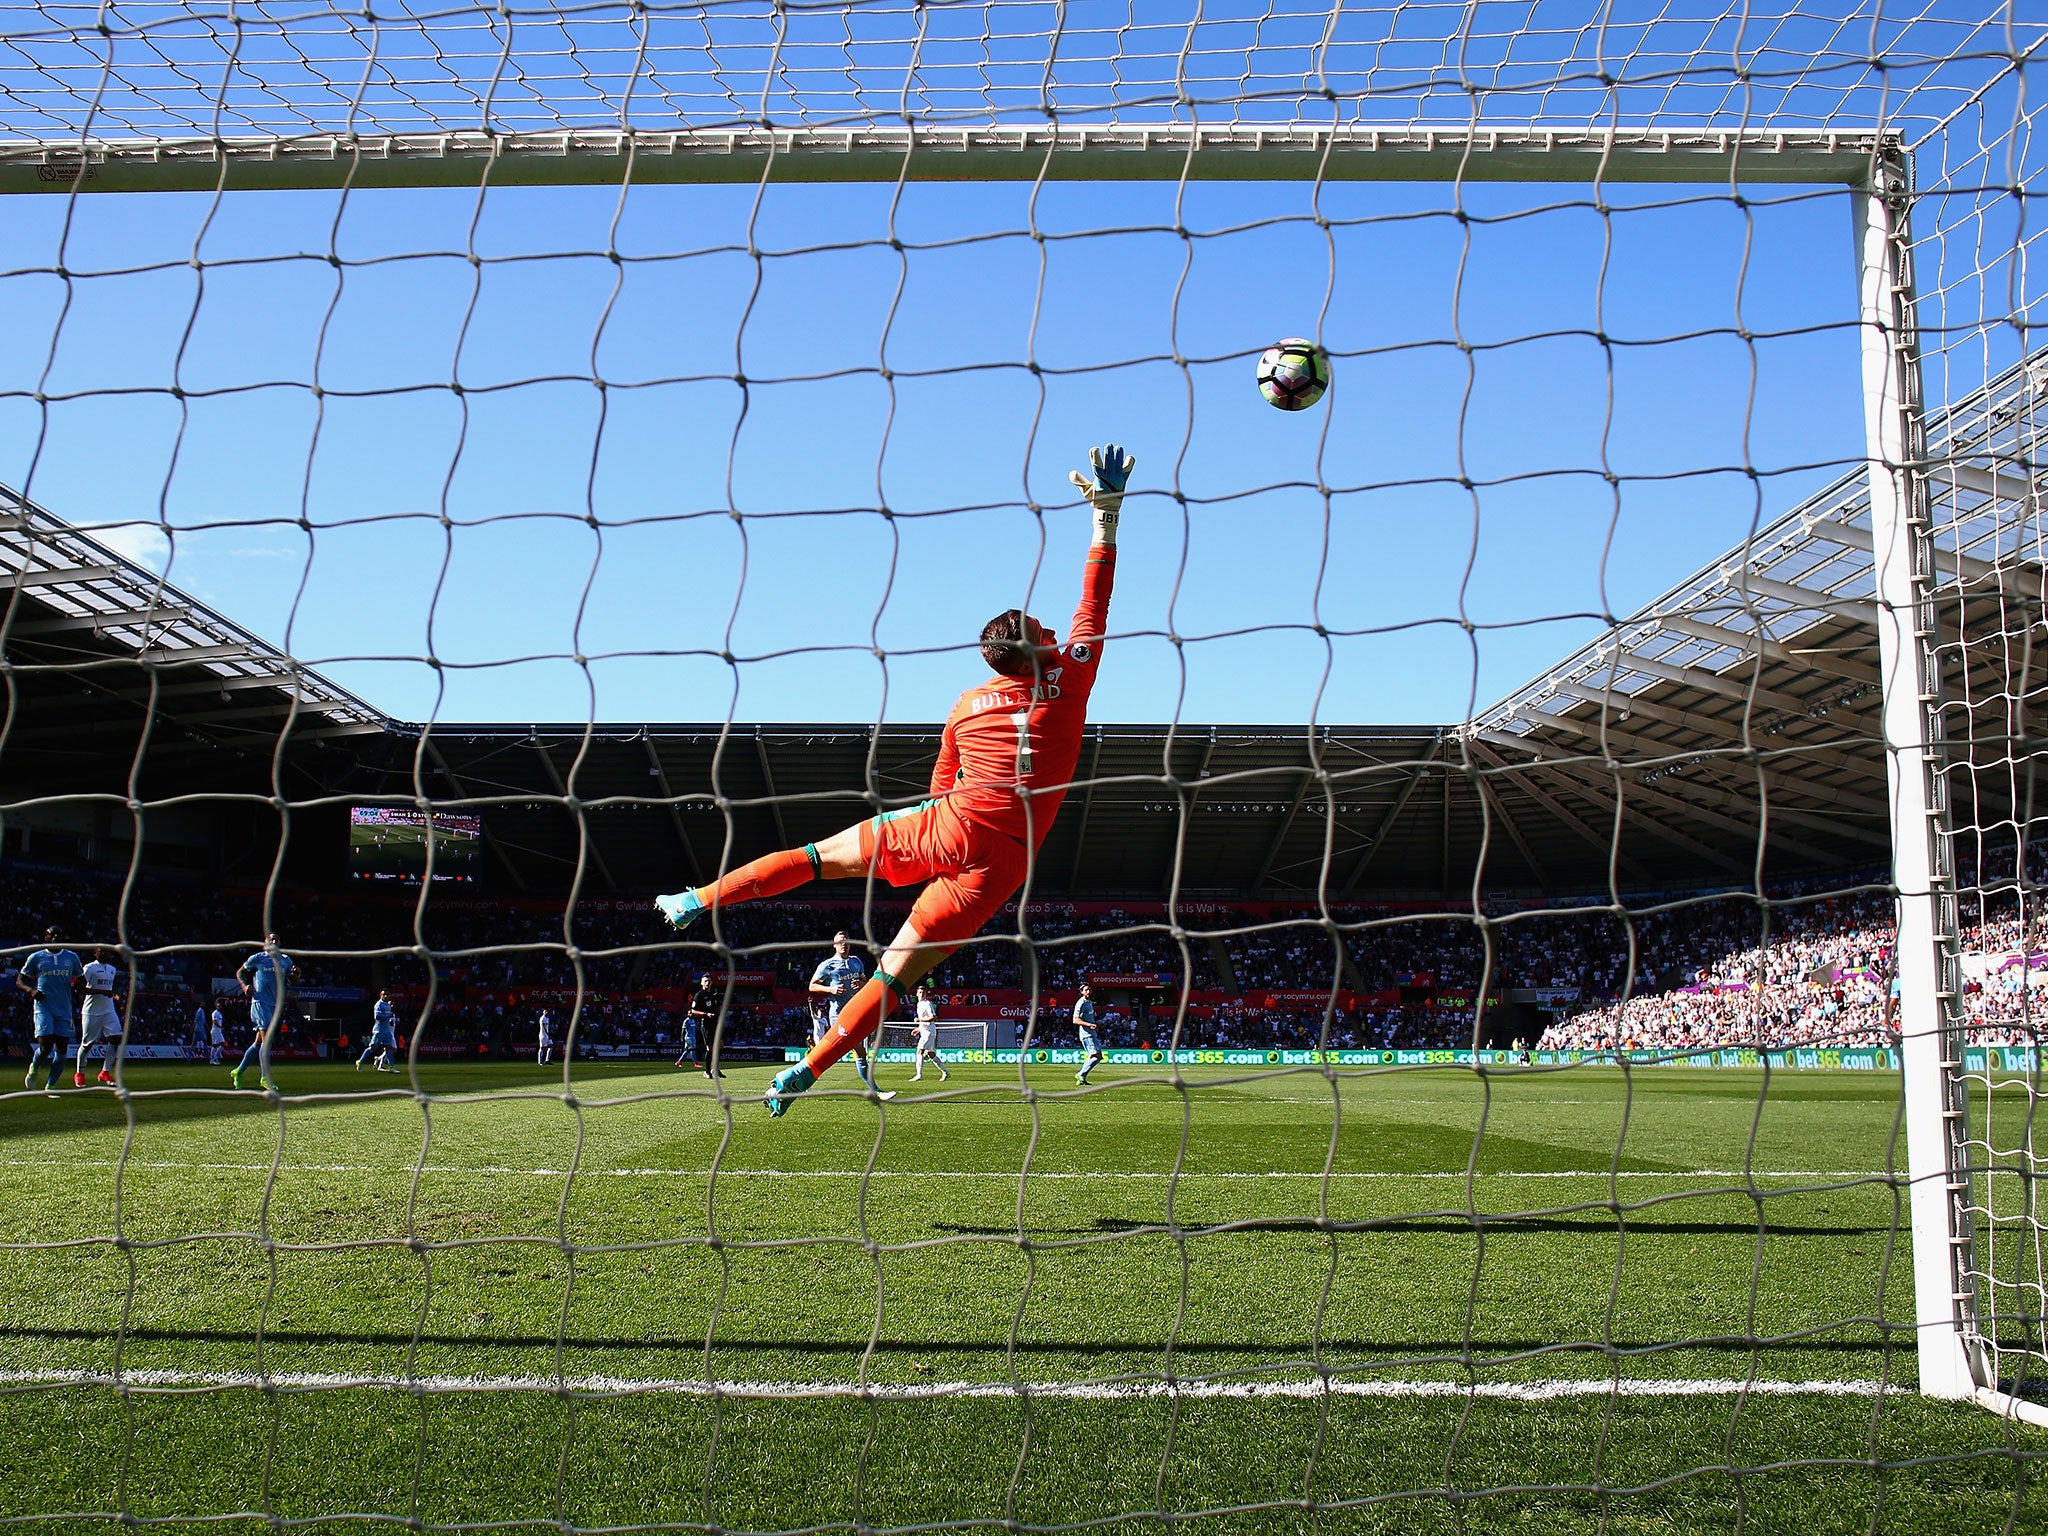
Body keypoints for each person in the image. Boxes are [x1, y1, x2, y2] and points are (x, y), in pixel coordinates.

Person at [655, 443, 1133, 1116]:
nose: (1052, 626)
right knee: (894, 972)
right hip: (1005, 858)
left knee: (816, 859)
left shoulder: (968, 704)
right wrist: (1105, 519)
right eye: (1041, 627)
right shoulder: (1072, 676)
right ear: (1033, 648)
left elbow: (942, 777)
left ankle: (697, 900)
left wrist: (931, 834)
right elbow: (1094, 602)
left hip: (950, 822)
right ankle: (808, 1072)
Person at [809, 932, 881, 1092]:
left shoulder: (856, 962)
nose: (844, 944)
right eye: (840, 942)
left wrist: (861, 984)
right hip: (838, 1015)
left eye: (846, 941)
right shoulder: (827, 965)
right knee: (857, 1050)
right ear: (835, 945)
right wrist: (831, 989)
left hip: (854, 1013)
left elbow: (866, 982)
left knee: (841, 1052)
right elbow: (812, 986)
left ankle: (800, 1077)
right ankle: (875, 1090)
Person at [17, 927, 81, 1096]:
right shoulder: (36, 957)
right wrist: (32, 991)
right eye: (51, 935)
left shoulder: (72, 957)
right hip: (44, 1007)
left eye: (58, 935)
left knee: (61, 1050)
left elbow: (81, 979)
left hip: (64, 1009)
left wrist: (81, 986)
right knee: (45, 1047)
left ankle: (50, 1086)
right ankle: (34, 1067)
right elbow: (20, 980)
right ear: (45, 937)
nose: (55, 937)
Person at [230, 934, 293, 1092]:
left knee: (258, 1043)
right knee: (267, 1040)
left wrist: (297, 974)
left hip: (275, 1005)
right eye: (270, 939)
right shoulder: (257, 958)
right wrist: (245, 987)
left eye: (276, 939)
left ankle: (238, 1071)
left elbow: (292, 981)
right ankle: (265, 1078)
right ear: (265, 943)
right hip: (260, 1003)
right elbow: (240, 972)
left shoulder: (285, 960)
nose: (273, 941)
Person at [75, 946, 122, 1087]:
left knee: (116, 1038)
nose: (105, 953)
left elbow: (112, 989)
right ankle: (80, 1073)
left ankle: (105, 1072)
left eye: (107, 951)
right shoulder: (89, 968)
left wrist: (117, 997)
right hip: (91, 1011)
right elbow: (79, 988)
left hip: (108, 1010)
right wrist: (101, 992)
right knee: (87, 1044)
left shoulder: (112, 969)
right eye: (101, 951)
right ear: (95, 953)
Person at [677, 974, 720, 1077]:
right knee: (708, 1048)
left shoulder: (713, 994)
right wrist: (706, 1014)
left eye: (709, 981)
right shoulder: (699, 995)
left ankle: (715, 1068)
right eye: (705, 981)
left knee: (718, 1046)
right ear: (701, 983)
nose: (707, 983)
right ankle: (707, 1071)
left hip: (715, 1024)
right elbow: (693, 1010)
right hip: (706, 1024)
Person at [910, 983, 949, 1083]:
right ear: (917, 994)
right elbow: (925, 1020)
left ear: (926, 994)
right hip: (925, 1032)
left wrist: (920, 1020)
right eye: (920, 992)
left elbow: (933, 1017)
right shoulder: (919, 1004)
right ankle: (945, 1072)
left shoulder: (927, 1003)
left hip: (929, 1032)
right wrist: (918, 1028)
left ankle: (919, 1074)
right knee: (931, 1054)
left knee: (919, 1050)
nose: (921, 994)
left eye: (923, 993)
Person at [357, 990, 399, 1072]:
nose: (385, 996)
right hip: (379, 1030)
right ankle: (360, 1061)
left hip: (387, 1031)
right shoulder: (379, 1004)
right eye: (384, 994)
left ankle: (391, 1066)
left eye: (387, 995)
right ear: (381, 995)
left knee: (389, 1048)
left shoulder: (387, 1005)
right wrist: (388, 1016)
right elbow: (377, 1016)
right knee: (372, 1048)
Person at [1073, 982, 1103, 1085]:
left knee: (1092, 1056)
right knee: (1097, 1056)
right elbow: (1075, 1020)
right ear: (1081, 992)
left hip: (1091, 1033)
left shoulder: (1089, 1002)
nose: (1088, 992)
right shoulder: (1080, 1003)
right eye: (1086, 990)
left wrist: (1095, 1023)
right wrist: (1089, 1024)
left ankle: (1081, 1079)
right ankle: (1081, 1073)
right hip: (1087, 1034)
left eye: (1089, 989)